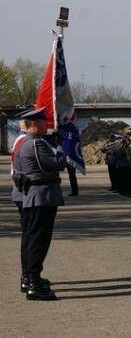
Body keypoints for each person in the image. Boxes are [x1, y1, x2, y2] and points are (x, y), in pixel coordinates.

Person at [12, 108, 65, 301]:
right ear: (34, 124)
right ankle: (33, 282)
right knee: (38, 241)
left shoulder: (26, 142)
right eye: (44, 121)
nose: (47, 125)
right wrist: (61, 147)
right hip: (40, 196)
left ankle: (30, 277)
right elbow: (56, 164)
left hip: (36, 196)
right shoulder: (35, 144)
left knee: (32, 239)